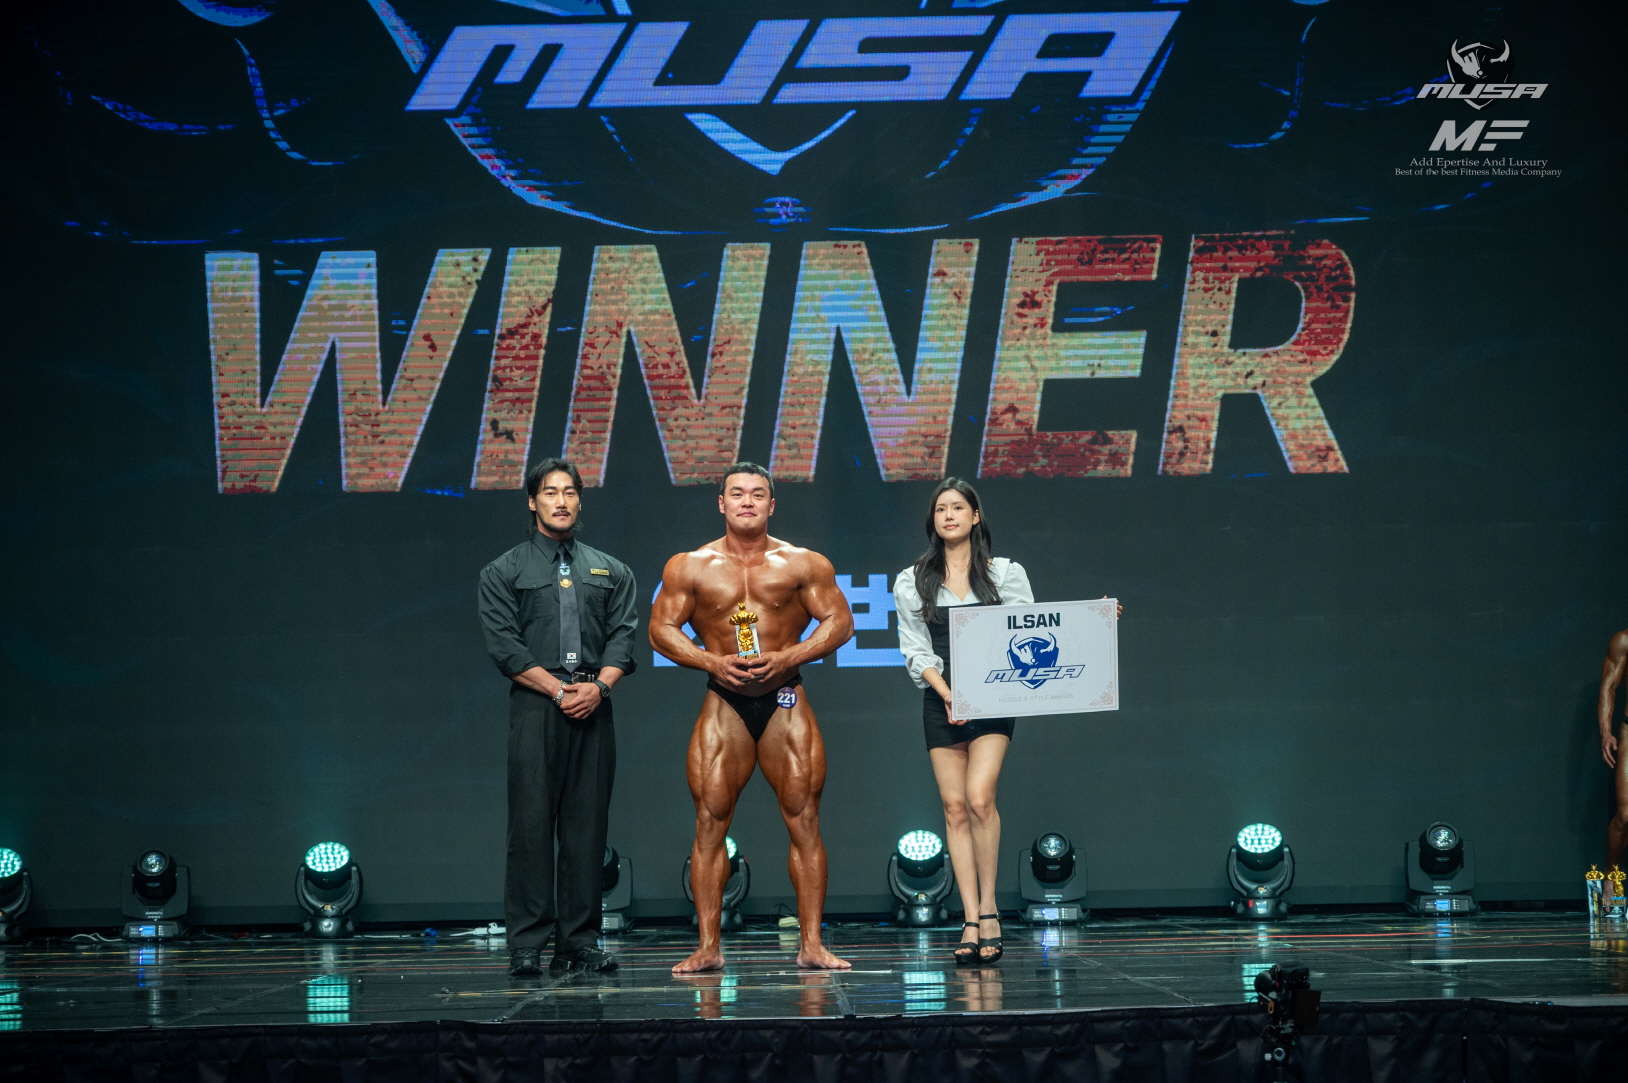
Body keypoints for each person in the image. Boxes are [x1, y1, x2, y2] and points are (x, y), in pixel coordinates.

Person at [649, 462, 855, 973]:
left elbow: (840, 621)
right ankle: (708, 947)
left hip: (785, 697)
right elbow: (660, 630)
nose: (747, 501)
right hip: (725, 699)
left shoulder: (803, 563)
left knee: (804, 819)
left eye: (757, 494)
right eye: (737, 494)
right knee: (709, 822)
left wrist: (789, 657)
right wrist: (711, 662)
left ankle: (811, 944)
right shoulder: (689, 566)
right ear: (721, 503)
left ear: (771, 505)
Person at [478, 458, 638, 977]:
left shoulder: (611, 570)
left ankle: (579, 943)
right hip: (536, 704)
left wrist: (598, 688)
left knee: (587, 829)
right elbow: (505, 646)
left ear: (579, 500)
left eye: (570, 492)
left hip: (594, 704)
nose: (561, 501)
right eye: (550, 492)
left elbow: (623, 638)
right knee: (529, 827)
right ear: (533, 501)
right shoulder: (503, 571)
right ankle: (527, 943)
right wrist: (557, 690)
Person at [893, 478, 1033, 966]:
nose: (948, 515)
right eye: (940, 509)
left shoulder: (1004, 573)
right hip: (943, 698)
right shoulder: (912, 579)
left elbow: (1033, 632)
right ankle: (970, 917)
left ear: (975, 516)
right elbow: (915, 649)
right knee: (954, 809)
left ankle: (990, 909)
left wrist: (1096, 619)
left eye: (957, 508)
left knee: (979, 798)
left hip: (993, 695)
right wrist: (949, 693)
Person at [1597, 628, 1628, 870]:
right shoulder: (1624, 640)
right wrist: (1606, 732)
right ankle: (1611, 877)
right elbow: (1608, 686)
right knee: (1625, 815)